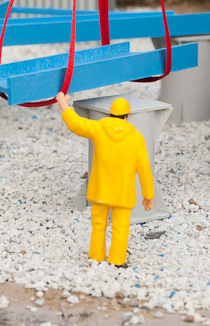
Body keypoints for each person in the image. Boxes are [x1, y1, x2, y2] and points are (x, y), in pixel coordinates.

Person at [56, 92, 154, 267]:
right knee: (121, 227)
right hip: (123, 193)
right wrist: (148, 196)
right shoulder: (136, 138)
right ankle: (117, 260)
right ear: (127, 117)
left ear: (110, 114)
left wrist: (63, 103)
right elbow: (145, 169)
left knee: (98, 224)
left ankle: (96, 256)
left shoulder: (99, 128)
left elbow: (76, 123)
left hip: (100, 190)